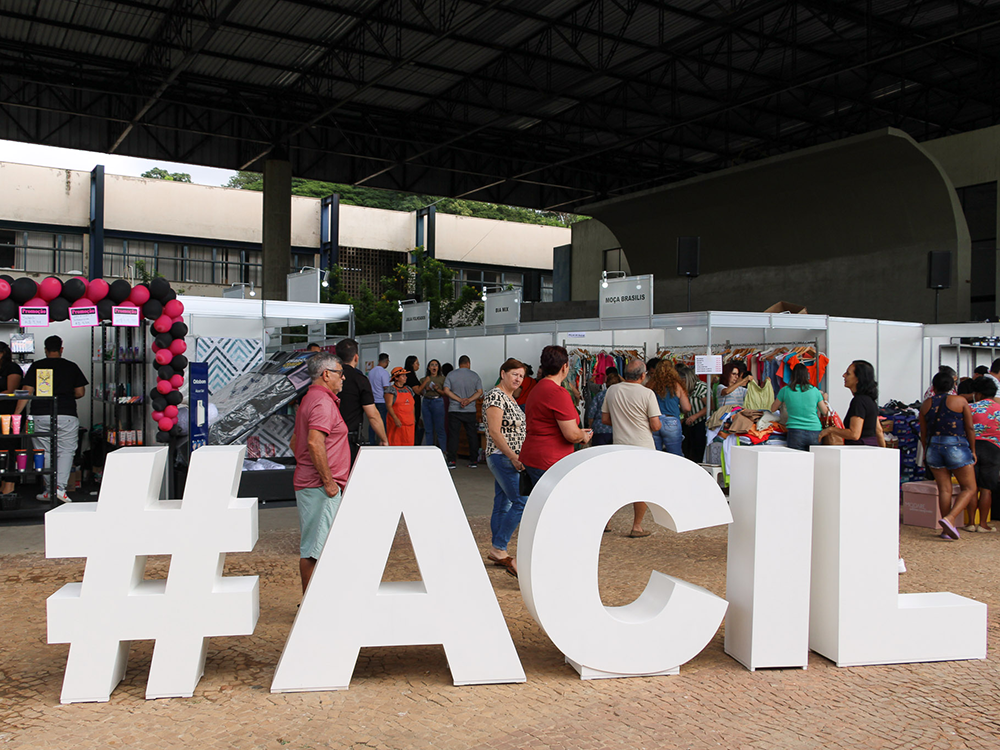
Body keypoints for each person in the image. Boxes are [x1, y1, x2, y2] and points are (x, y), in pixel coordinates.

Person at [517, 345, 592, 575]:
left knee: (541, 512)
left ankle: (537, 564)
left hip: (533, 455)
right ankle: (551, 567)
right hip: (551, 460)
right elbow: (571, 434)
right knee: (557, 516)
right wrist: (584, 436)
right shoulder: (557, 393)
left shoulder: (538, 388)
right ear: (566, 366)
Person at [291, 352, 350, 593]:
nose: (343, 378)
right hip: (320, 487)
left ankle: (314, 603)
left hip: (312, 483)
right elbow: (314, 443)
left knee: (317, 546)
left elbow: (296, 442)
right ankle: (310, 607)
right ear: (326, 375)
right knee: (316, 549)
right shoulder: (323, 402)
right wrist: (329, 483)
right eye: (340, 373)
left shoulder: (310, 398)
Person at [14, 335, 87, 503]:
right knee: (66, 451)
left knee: (44, 451)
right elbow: (80, 392)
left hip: (39, 414)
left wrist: (17, 414)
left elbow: (27, 390)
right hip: (66, 415)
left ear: (45, 349)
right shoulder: (71, 366)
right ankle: (59, 488)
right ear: (61, 349)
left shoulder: (37, 366)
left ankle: (49, 489)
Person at [602, 358, 661, 537]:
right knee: (641, 487)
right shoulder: (647, 394)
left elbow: (605, 419)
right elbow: (656, 425)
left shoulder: (612, 390)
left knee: (616, 485)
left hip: (619, 445)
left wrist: (622, 423)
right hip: (643, 447)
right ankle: (636, 526)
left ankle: (607, 520)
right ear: (643, 375)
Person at [916, 369, 977, 540]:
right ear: (952, 386)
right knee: (970, 487)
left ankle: (945, 530)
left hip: (933, 447)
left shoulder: (926, 404)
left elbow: (923, 431)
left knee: (944, 489)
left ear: (933, 387)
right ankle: (950, 519)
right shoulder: (960, 401)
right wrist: (972, 450)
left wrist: (926, 451)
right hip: (956, 445)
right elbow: (970, 428)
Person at [483, 358, 527, 575]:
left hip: (508, 458)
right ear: (503, 373)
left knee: (503, 503)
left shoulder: (510, 397)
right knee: (522, 502)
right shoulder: (495, 396)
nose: (518, 379)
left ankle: (498, 550)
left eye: (521, 376)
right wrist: (513, 456)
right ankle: (499, 547)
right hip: (503, 457)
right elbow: (494, 431)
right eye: (514, 374)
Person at [334, 338, 388, 466]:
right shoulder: (360, 379)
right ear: (356, 357)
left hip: (327, 437)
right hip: (349, 438)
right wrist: (383, 438)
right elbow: (372, 415)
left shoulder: (328, 377)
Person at [819, 360, 886, 448]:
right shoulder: (870, 401)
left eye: (848, 374)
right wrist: (884, 452)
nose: (844, 376)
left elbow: (854, 434)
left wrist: (831, 430)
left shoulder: (858, 401)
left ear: (858, 379)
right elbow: (879, 430)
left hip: (858, 450)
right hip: (871, 448)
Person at [771, 363, 829, 451]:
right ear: (806, 376)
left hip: (795, 431)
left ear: (793, 375)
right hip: (815, 431)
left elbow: (773, 409)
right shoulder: (815, 391)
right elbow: (825, 412)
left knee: (797, 462)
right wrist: (824, 399)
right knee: (814, 462)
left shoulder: (785, 390)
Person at [968, 376, 999, 532]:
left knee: (971, 487)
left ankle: (971, 523)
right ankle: (983, 525)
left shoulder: (970, 408)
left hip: (972, 448)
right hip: (993, 449)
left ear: (978, 393)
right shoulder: (999, 409)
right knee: (986, 488)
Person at [442, 355, 483, 469]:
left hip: (454, 409)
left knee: (454, 435)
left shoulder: (451, 375)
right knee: (472, 435)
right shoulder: (475, 375)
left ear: (459, 364)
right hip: (470, 410)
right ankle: (473, 461)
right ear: (468, 363)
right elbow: (480, 391)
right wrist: (468, 400)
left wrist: (459, 400)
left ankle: (452, 461)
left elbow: (446, 390)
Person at [645, 359, 691, 456]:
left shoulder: (651, 385)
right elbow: (687, 408)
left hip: (654, 421)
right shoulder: (676, 386)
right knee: (675, 455)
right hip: (671, 421)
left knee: (655, 455)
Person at [0, 341, 22, 496]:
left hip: (9, 414)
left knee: (9, 447)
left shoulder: (12, 368)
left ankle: (9, 484)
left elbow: (11, 391)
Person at [677, 364, 708, 463]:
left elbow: (710, 406)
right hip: (689, 422)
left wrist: (695, 416)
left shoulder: (701, 387)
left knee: (698, 447)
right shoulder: (686, 390)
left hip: (701, 422)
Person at [586, 367, 620, 446]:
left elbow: (591, 413)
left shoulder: (599, 395)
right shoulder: (622, 397)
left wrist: (591, 426)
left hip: (599, 430)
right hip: (617, 431)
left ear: (606, 383)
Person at [385, 366, 416, 446]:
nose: (405, 377)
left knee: (409, 447)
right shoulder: (391, 390)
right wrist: (395, 419)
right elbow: (388, 406)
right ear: (396, 378)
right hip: (397, 424)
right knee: (396, 446)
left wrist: (414, 418)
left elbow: (412, 405)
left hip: (409, 424)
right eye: (403, 375)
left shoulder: (409, 389)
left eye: (405, 375)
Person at [420, 359, 446, 452]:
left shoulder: (443, 379)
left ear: (438, 367)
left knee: (440, 429)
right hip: (426, 401)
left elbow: (445, 393)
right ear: (428, 367)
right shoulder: (424, 379)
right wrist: (425, 389)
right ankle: (429, 452)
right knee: (428, 429)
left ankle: (443, 452)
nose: (434, 367)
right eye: (432, 365)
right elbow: (419, 392)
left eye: (436, 365)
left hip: (437, 401)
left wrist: (437, 389)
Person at [367, 353, 391, 445]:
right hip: (382, 401)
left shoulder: (371, 371)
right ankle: (382, 442)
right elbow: (386, 387)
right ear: (386, 361)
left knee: (372, 423)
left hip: (372, 401)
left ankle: (371, 442)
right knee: (382, 423)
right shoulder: (384, 373)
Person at [403, 355, 426, 446]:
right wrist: (425, 381)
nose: (418, 365)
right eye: (417, 363)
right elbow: (417, 390)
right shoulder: (410, 374)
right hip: (411, 404)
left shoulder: (411, 374)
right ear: (411, 364)